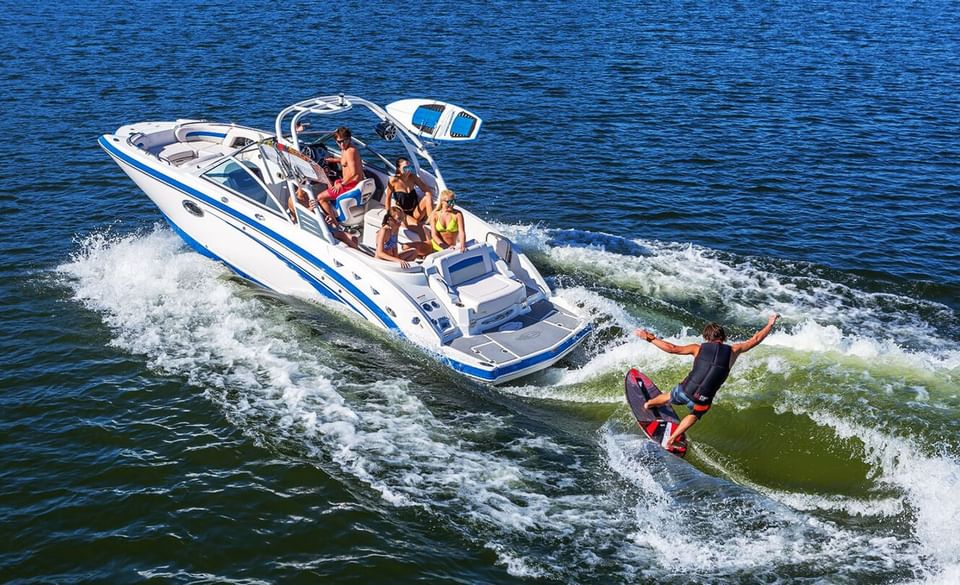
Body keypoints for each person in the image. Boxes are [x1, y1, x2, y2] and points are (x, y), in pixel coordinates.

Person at [634, 314, 780, 450]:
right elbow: (756, 339)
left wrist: (650, 338)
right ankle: (672, 439)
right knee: (695, 414)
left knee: (671, 395)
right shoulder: (734, 350)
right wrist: (770, 323)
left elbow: (672, 349)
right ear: (723, 337)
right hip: (702, 400)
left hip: (685, 391)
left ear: (706, 337)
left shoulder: (697, 348)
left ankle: (648, 404)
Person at [313, 126, 365, 225]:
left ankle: (335, 223)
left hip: (351, 184)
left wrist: (342, 184)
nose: (341, 144)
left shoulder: (350, 151)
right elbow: (346, 161)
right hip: (349, 182)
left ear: (349, 139)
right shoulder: (346, 149)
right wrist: (334, 160)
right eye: (338, 142)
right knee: (333, 182)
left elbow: (354, 173)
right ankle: (333, 209)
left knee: (320, 197)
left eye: (343, 141)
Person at [384, 157, 434, 222]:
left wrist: (429, 200)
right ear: (399, 169)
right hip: (403, 214)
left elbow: (426, 190)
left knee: (428, 197)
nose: (408, 170)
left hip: (415, 211)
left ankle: (432, 222)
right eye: (405, 168)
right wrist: (388, 215)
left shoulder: (413, 177)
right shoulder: (393, 180)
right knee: (416, 224)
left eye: (409, 167)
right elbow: (388, 199)